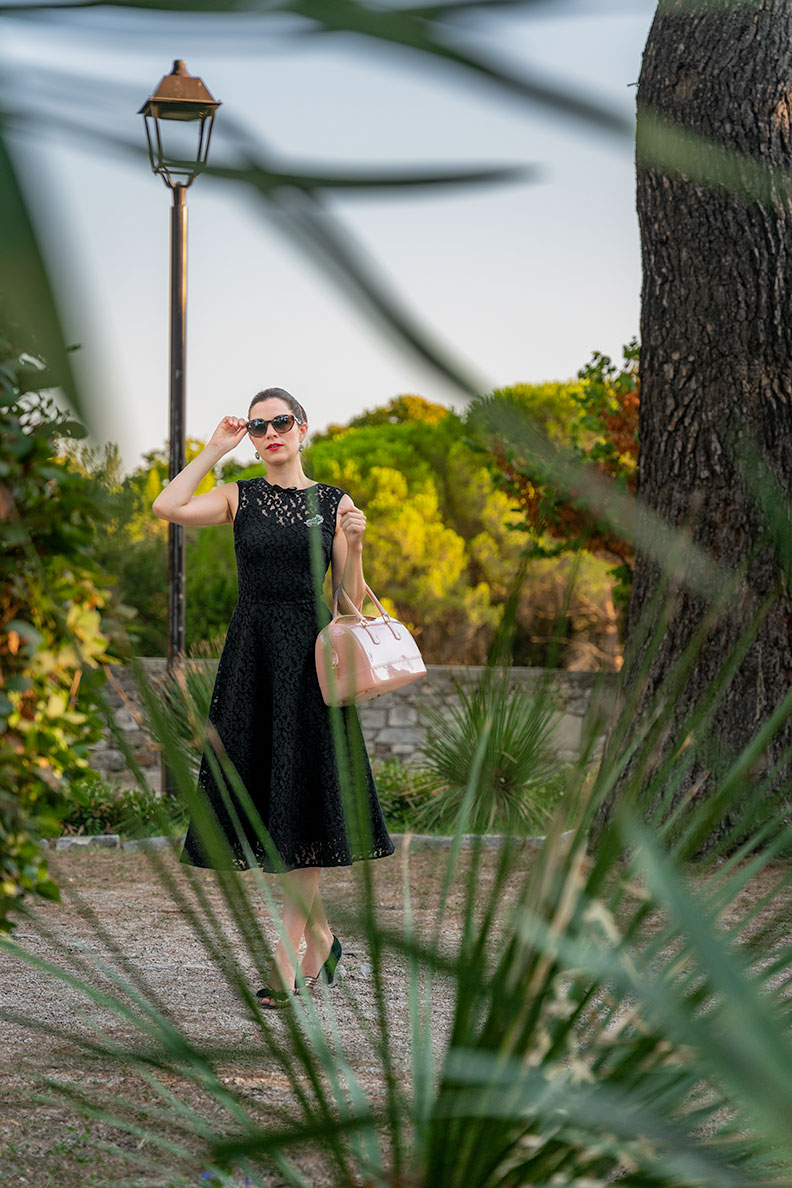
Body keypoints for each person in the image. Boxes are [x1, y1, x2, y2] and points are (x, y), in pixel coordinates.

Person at [152, 386, 395, 1008]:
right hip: (251, 659)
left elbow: (346, 601)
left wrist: (358, 545)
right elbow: (167, 504)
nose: (269, 434)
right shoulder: (241, 495)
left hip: (310, 665)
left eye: (280, 422)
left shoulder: (333, 503)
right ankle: (323, 942)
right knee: (266, 801)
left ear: (303, 428)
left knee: (302, 807)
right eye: (258, 428)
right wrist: (213, 449)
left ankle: (288, 967)